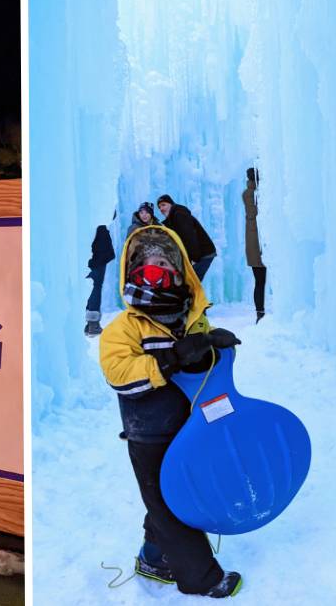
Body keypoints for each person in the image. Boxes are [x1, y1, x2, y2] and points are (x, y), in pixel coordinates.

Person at [98, 225, 243, 598]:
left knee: (176, 497)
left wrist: (211, 345)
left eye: (163, 262)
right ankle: (202, 578)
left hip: (190, 426)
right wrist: (172, 357)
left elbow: (202, 372)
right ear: (132, 272)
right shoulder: (124, 329)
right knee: (168, 506)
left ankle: (153, 556)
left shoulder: (191, 319)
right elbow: (121, 376)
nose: (155, 269)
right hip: (148, 432)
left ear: (181, 272)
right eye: (146, 264)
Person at [157, 195, 218, 282]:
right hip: (200, 254)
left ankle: (194, 295)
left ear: (171, 204)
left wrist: (194, 259)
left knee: (191, 283)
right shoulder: (173, 218)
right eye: (159, 207)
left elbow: (189, 237)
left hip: (203, 255)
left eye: (163, 205)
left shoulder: (180, 215)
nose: (161, 209)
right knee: (190, 283)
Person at [84, 218, 116, 337]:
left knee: (94, 286)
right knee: (96, 286)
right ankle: (93, 321)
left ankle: (91, 321)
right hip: (98, 258)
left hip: (97, 258)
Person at [242, 168, 267, 323]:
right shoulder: (259, 194)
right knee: (262, 280)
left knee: (259, 281)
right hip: (261, 243)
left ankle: (260, 312)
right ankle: (261, 313)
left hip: (252, 244)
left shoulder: (246, 193)